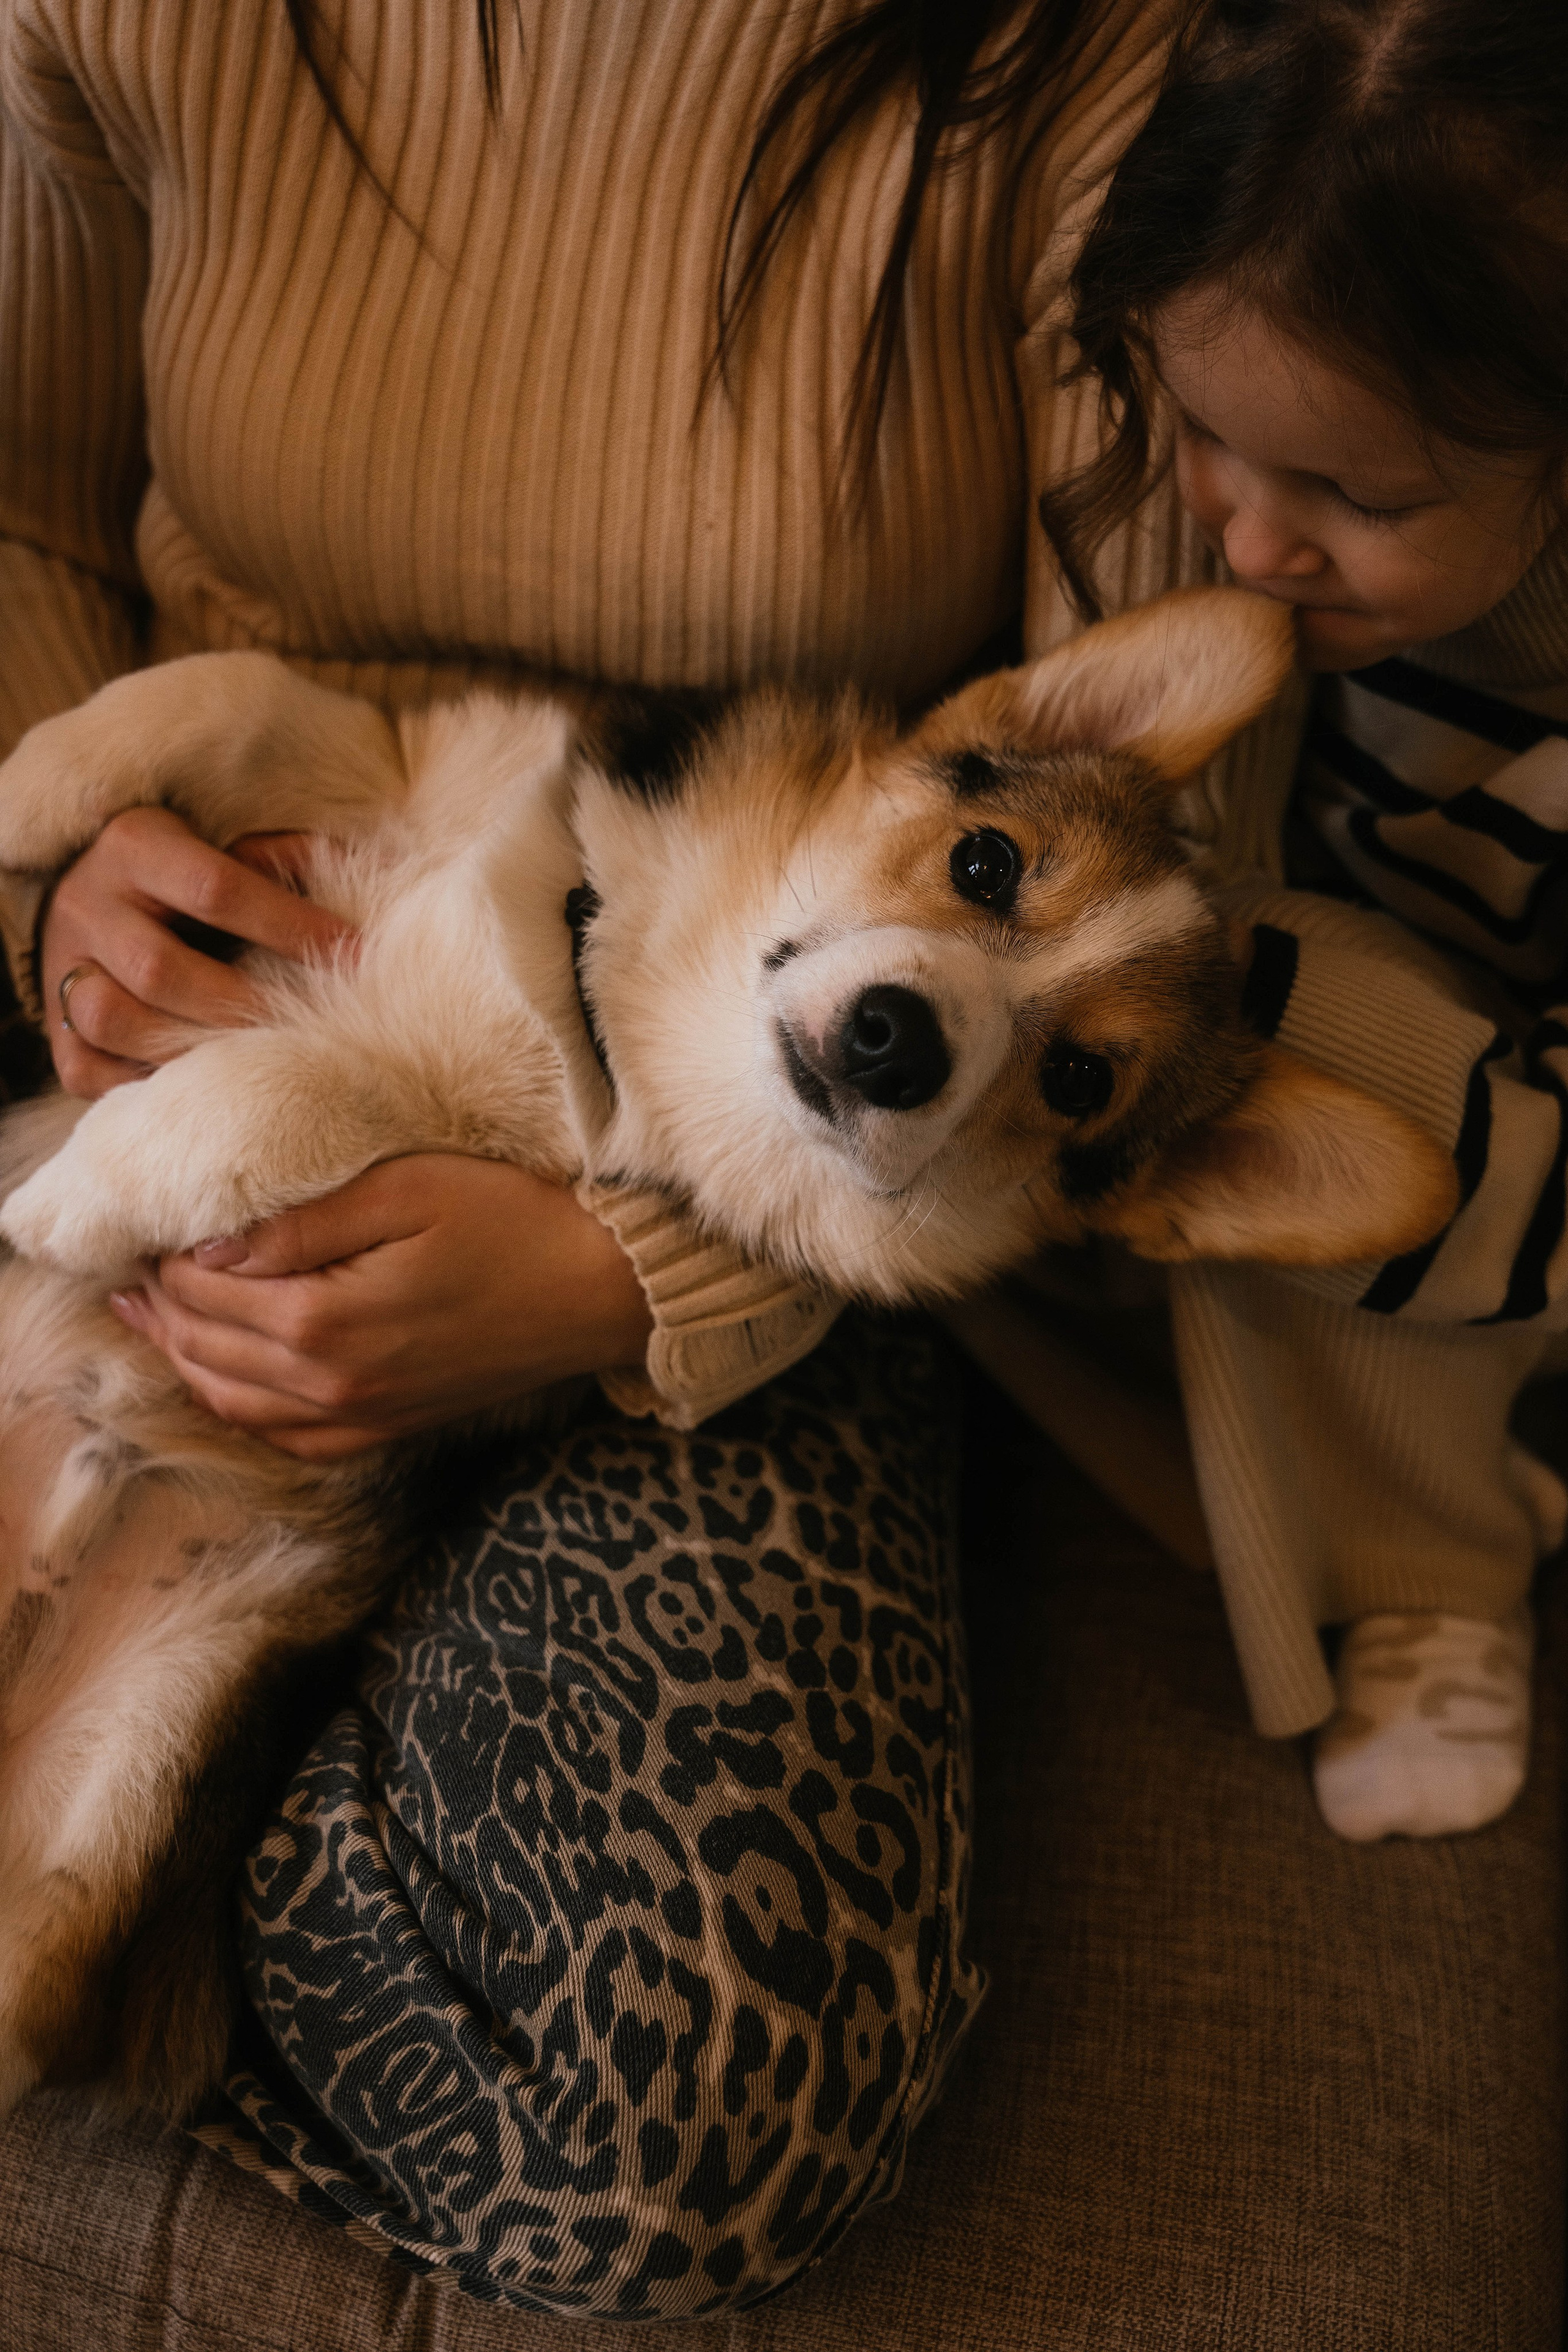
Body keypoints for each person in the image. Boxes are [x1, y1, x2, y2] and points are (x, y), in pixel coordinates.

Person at [0, 0, 1248, 2315]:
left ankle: (175, 1763)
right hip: (239, 882)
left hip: (771, 1200)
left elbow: (1166, 855)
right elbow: (15, 504)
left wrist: (633, 1281)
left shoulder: (1089, 62)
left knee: (675, 2104)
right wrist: (54, 878)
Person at [1037, 0, 1568, 1842]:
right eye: (1203, 431)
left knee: (1299, 1019)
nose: (1253, 539)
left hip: (1518, 1171)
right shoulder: (1174, 500)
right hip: (1342, 1180)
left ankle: (1432, 1584)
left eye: (1363, 497)